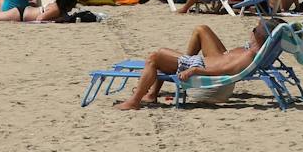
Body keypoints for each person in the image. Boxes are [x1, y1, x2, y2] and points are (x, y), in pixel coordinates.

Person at [115, 22, 273, 109]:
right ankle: (151, 94)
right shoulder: (253, 50)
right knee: (201, 29)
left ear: (260, 36)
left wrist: (195, 70)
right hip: (216, 58)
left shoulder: (250, 55)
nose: (251, 32)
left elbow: (225, 71)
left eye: (254, 29)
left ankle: (135, 101)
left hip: (202, 66)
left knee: (155, 57)